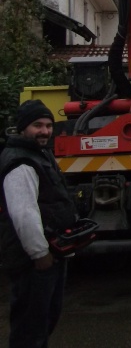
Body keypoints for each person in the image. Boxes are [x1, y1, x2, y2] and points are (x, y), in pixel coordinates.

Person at [0, 100, 77, 348]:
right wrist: (39, 253)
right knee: (30, 330)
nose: (44, 131)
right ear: (23, 128)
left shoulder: (37, 154)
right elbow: (24, 213)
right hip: (34, 262)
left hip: (49, 254)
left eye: (48, 125)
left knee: (42, 323)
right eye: (37, 126)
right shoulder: (21, 163)